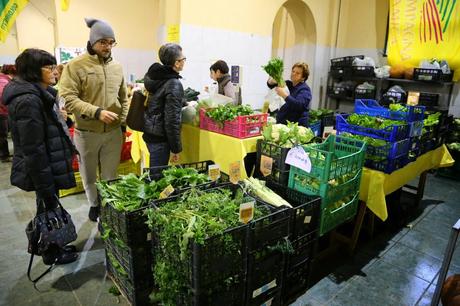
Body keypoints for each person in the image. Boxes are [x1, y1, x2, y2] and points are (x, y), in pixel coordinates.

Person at [2, 48, 78, 265]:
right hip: (42, 166)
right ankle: (50, 251)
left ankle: (55, 245)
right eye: (50, 67)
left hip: (48, 163)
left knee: (48, 207)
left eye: (55, 67)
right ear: (34, 70)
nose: (55, 72)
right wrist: (44, 184)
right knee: (45, 207)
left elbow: (46, 128)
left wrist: (64, 119)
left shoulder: (39, 94)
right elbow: (33, 148)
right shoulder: (28, 100)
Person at [59, 18, 129, 222]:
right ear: (92, 42)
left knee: (110, 177)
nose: (107, 47)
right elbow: (68, 98)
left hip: (113, 133)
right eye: (103, 42)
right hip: (87, 133)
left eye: (111, 42)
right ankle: (94, 204)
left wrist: (122, 123)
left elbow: (123, 98)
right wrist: (96, 112)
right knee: (89, 176)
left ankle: (108, 209)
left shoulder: (117, 67)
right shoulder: (75, 66)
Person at [143, 43, 185, 179]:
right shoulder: (174, 83)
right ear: (177, 63)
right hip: (160, 138)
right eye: (183, 59)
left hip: (151, 132)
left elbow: (160, 99)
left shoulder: (155, 77)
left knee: (155, 174)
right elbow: (172, 120)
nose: (184, 61)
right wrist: (176, 149)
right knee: (157, 180)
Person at [268, 62, 312, 127]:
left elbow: (299, 105)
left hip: (296, 127)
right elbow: (271, 85)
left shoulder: (305, 89)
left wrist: (284, 95)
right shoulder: (288, 84)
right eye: (293, 71)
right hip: (284, 125)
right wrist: (271, 81)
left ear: (303, 78)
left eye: (298, 73)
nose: (294, 74)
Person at [0, 64, 16, 162]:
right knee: (2, 134)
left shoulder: (3, 79)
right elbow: (3, 98)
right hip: (2, 112)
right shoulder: (3, 81)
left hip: (3, 111)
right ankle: (4, 156)